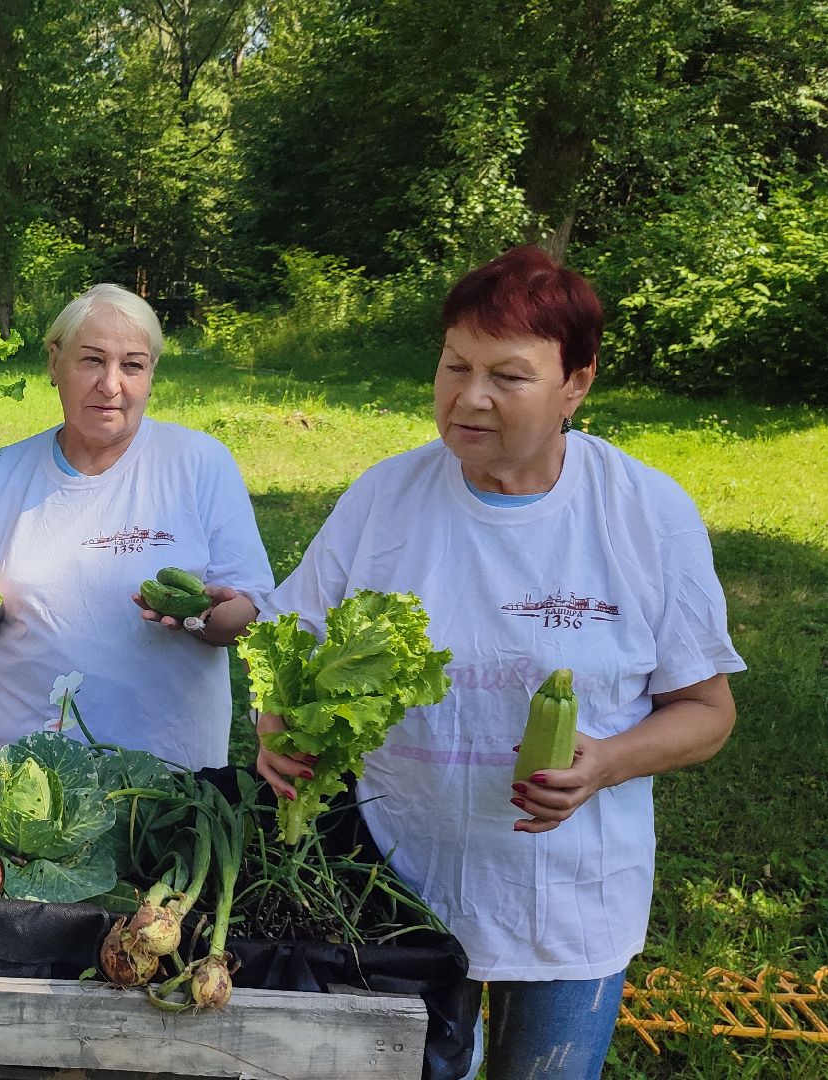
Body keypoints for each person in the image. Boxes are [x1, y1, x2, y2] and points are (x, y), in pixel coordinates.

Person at [253, 246, 742, 1078]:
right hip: (396, 886)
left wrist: (610, 761)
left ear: (576, 384)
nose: (468, 398)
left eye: (508, 377)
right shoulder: (385, 498)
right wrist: (276, 726)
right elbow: (287, 645)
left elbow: (708, 712)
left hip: (566, 903)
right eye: (454, 365)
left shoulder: (643, 512)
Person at [0, 284, 274, 767]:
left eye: (132, 365)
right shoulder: (2, 474)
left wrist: (203, 618)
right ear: (54, 363)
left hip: (164, 774)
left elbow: (248, 609)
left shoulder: (198, 464)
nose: (111, 384)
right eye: (92, 360)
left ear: (151, 374)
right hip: (22, 771)